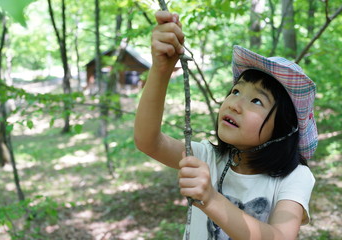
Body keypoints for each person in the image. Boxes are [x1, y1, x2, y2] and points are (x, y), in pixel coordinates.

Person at [134, 10, 317, 240]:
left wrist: (211, 199)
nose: (234, 104)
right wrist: (161, 68)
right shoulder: (208, 158)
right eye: (236, 91)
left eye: (257, 101)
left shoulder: (294, 178)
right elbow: (148, 141)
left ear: (283, 128)